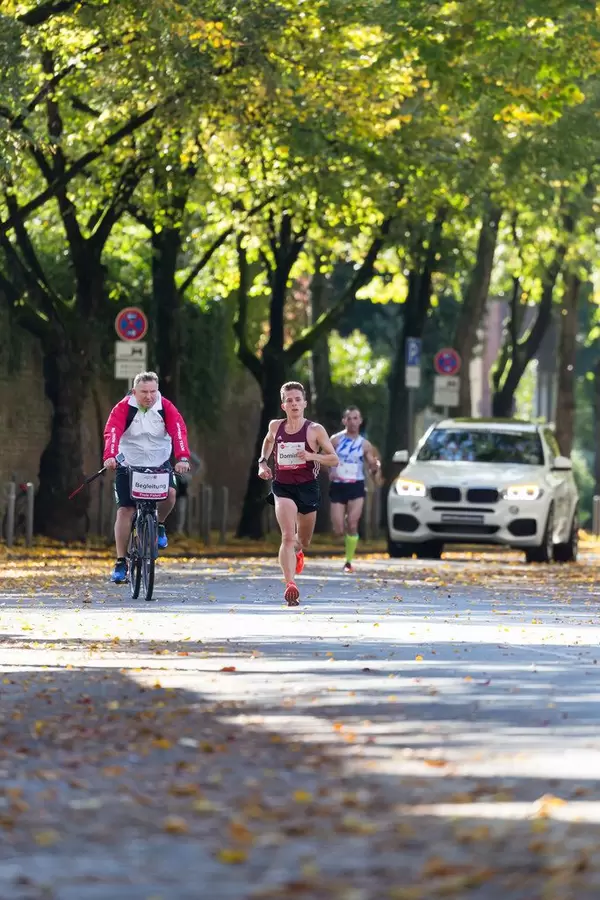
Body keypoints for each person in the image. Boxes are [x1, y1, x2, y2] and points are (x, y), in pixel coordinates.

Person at [103, 371, 191, 584]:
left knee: (170, 494)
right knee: (126, 510)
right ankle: (121, 561)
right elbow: (112, 431)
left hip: (159, 463)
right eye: (144, 392)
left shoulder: (166, 407)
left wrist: (182, 458)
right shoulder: (123, 408)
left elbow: (179, 431)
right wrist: (110, 456)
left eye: (153, 391)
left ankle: (159, 524)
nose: (149, 396)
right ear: (135, 391)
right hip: (129, 463)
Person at [258, 381, 338, 606]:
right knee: (287, 536)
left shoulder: (315, 430)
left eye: (297, 399)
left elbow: (334, 459)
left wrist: (313, 456)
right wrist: (263, 463)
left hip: (308, 488)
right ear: (283, 405)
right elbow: (268, 441)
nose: (293, 403)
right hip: (282, 487)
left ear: (304, 403)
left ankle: (298, 553)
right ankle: (290, 583)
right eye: (289, 400)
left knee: (303, 540)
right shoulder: (275, 426)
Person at [329, 405, 381, 573]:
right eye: (349, 418)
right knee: (338, 529)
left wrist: (375, 467)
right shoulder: (335, 441)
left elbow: (372, 465)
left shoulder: (364, 444)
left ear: (360, 421)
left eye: (355, 418)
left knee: (352, 523)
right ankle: (343, 530)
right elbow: (322, 459)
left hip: (356, 485)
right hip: (338, 485)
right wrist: (329, 469)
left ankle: (349, 561)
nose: (352, 421)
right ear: (344, 421)